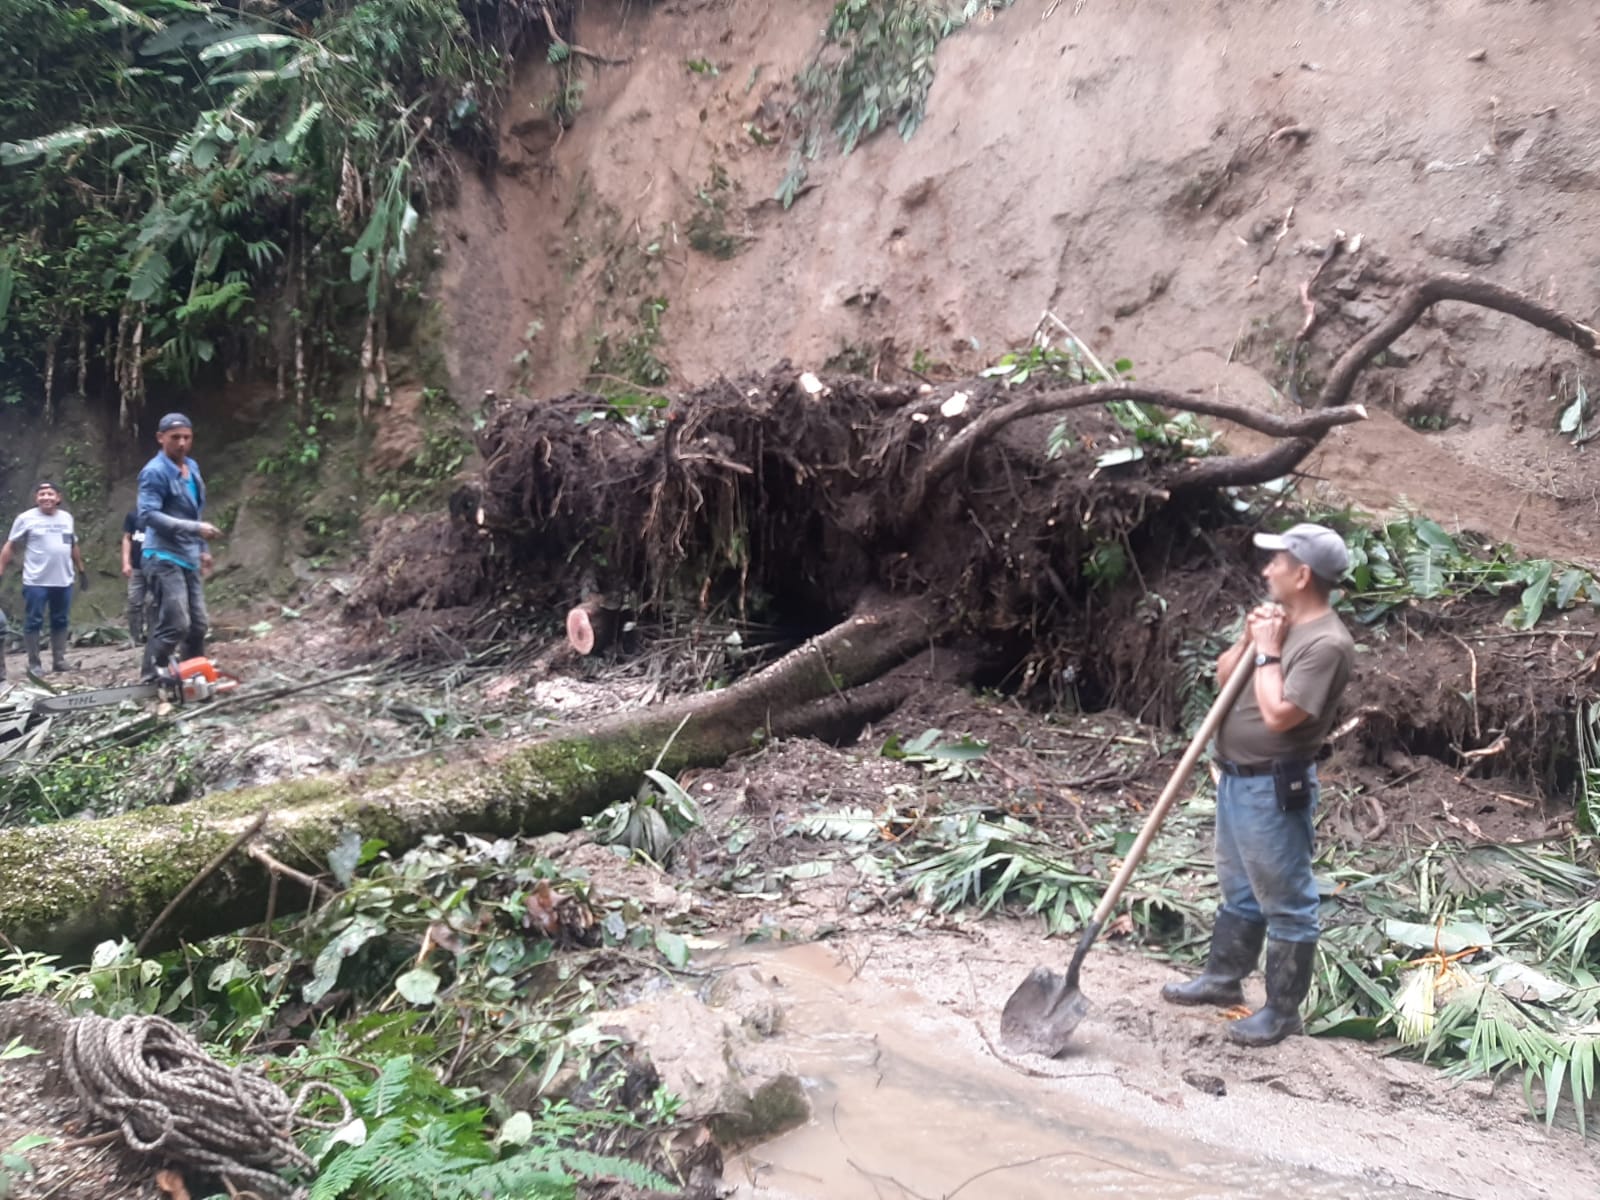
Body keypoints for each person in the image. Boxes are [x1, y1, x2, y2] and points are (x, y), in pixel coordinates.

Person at [1161, 522, 1355, 1047]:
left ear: (1302, 573)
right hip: (1235, 777)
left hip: (1274, 786)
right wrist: (1250, 639)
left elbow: (1279, 716)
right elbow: (1226, 677)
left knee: (1286, 899)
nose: (1266, 569)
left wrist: (1269, 651)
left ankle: (1281, 1012)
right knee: (1240, 888)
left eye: (1277, 561)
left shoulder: (1327, 643)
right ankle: (1223, 980)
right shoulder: (1277, 624)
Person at [137, 412, 222, 682]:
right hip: (162, 555)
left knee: (198, 625)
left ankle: (193, 675)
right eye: (175, 438)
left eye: (187, 437)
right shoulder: (154, 472)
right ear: (161, 438)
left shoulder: (192, 468)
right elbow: (148, 515)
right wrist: (195, 530)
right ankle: (153, 674)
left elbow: (194, 512)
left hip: (189, 554)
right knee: (176, 623)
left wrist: (202, 549)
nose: (182, 443)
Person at [0, 481, 88, 674]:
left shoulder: (66, 518)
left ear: (58, 498)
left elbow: (72, 544)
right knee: (34, 620)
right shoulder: (26, 519)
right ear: (36, 498)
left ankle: (59, 660)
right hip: (36, 581)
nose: (46, 497)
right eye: (42, 494)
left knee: (61, 620)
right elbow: (11, 545)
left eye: (50, 494)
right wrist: (1, 567)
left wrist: (81, 569)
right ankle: (34, 663)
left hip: (63, 580)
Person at [120, 507, 154, 644]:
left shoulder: (162, 516)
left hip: (157, 567)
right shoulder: (133, 515)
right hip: (137, 567)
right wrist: (126, 562)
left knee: (152, 602)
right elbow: (127, 539)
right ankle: (135, 637)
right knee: (134, 602)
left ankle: (153, 635)